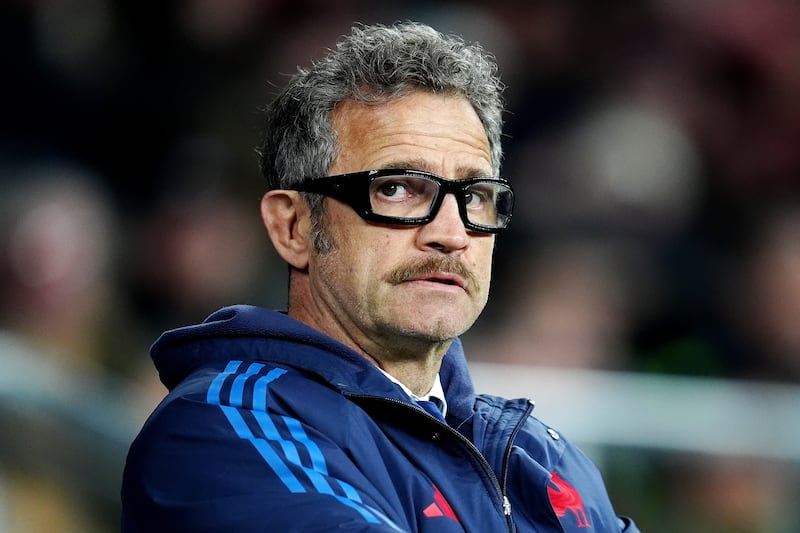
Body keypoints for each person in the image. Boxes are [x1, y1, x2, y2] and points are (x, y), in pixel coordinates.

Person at [121, 22, 639, 532]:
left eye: (475, 195)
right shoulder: (223, 430)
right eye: (396, 189)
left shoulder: (544, 457)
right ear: (293, 226)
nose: (451, 233)